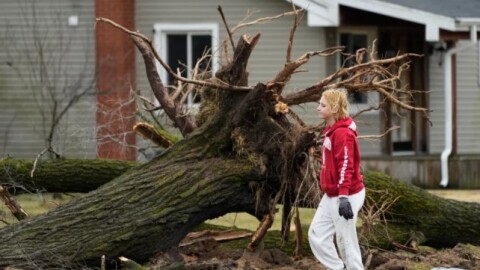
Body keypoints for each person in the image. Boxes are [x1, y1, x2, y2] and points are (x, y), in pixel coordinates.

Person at [308, 88, 366, 270]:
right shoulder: (331, 131)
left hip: (346, 195)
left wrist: (343, 197)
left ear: (333, 109)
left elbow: (346, 165)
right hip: (332, 194)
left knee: (345, 241)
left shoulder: (343, 134)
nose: (318, 108)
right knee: (317, 234)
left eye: (322, 105)